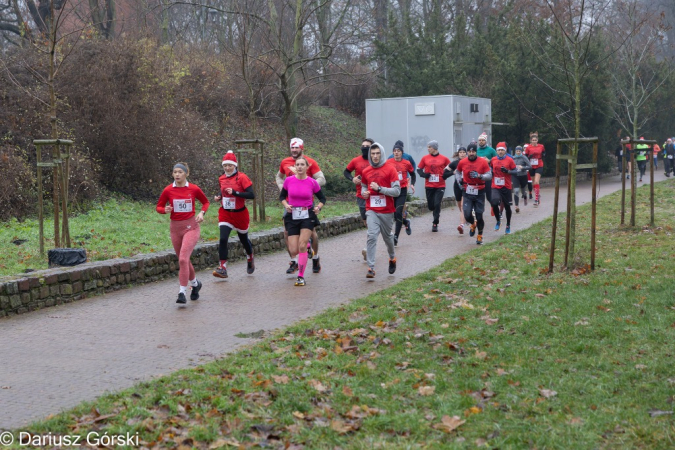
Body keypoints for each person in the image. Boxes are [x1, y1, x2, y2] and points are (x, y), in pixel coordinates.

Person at [156, 163, 210, 304]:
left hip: (191, 227)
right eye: (175, 172)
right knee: (184, 259)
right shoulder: (168, 190)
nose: (177, 174)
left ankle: (182, 292)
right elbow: (159, 207)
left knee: (182, 259)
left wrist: (202, 213)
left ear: (186, 173)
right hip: (175, 229)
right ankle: (195, 284)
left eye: (180, 172)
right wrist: (164, 210)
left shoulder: (193, 188)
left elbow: (205, 202)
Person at [276, 138, 325, 274]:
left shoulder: (310, 162)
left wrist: (308, 186)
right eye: (292, 148)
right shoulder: (285, 162)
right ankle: (294, 261)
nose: (294, 150)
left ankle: (315, 257)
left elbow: (322, 179)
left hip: (306, 203)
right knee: (287, 232)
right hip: (290, 204)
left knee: (312, 234)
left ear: (301, 149)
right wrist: (282, 186)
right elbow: (279, 177)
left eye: (297, 148)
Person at [212, 151, 255, 279]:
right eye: (225, 165)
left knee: (244, 240)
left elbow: (251, 195)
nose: (227, 168)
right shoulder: (221, 178)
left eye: (230, 165)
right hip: (225, 213)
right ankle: (223, 268)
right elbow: (222, 191)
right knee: (223, 239)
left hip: (240, 213)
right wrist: (218, 196)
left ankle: (250, 256)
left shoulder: (242, 177)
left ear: (235, 165)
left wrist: (236, 193)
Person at [361, 143, 400, 277]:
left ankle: (392, 257)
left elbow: (397, 191)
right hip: (371, 209)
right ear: (370, 155)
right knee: (371, 235)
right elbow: (363, 187)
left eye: (377, 153)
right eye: (373, 154)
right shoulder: (366, 171)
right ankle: (371, 268)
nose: (375, 156)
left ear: (382, 153)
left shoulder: (390, 169)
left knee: (388, 237)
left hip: (387, 210)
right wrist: (365, 193)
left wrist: (380, 189)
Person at [344, 138, 374, 260]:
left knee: (372, 222)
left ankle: (369, 248)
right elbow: (346, 172)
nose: (365, 148)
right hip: (361, 195)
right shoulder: (356, 160)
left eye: (367, 146)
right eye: (363, 146)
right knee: (367, 222)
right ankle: (372, 241)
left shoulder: (376, 160)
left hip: (376, 196)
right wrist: (352, 179)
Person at [457, 143, 492, 245]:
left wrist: (480, 176)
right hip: (467, 191)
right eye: (469, 152)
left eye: (473, 151)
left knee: (479, 215)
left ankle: (480, 235)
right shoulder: (462, 162)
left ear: (476, 152)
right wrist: (459, 180)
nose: (471, 153)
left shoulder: (482, 162)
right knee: (467, 214)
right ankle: (473, 224)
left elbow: (489, 175)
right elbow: (458, 172)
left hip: (479, 191)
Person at [417, 140, 452, 232]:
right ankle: (434, 212)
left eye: (429, 147)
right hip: (429, 185)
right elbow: (419, 169)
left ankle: (435, 222)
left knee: (437, 204)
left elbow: (451, 168)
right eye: (428, 147)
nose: (428, 149)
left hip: (440, 185)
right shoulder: (425, 158)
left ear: (434, 148)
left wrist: (446, 175)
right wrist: (424, 175)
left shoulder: (444, 158)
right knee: (431, 206)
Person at [387, 141, 416, 245]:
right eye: (394, 151)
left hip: (402, 190)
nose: (396, 152)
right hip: (391, 190)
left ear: (402, 152)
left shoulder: (406, 163)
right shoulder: (388, 162)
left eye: (398, 151)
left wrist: (412, 184)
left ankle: (395, 237)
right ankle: (406, 222)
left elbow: (413, 174)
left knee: (398, 212)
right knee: (394, 214)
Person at [490, 142, 517, 234]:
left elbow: (515, 171)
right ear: (496, 151)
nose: (500, 152)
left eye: (502, 150)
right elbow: (490, 169)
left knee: (507, 207)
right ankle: (498, 221)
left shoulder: (510, 160)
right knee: (494, 202)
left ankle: (508, 224)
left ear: (505, 151)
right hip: (495, 186)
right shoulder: (493, 159)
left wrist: (508, 171)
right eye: (498, 150)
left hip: (506, 186)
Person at [448, 147, 468, 234]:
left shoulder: (469, 162)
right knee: (460, 205)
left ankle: (461, 225)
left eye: (464, 152)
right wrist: (453, 172)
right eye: (461, 152)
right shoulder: (454, 163)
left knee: (463, 206)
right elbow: (444, 173)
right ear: (458, 153)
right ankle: (464, 217)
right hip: (457, 186)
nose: (462, 154)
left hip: (467, 186)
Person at [477, 133, 497, 209]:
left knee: (489, 195)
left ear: (486, 141)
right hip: (478, 174)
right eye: (480, 140)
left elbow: (497, 160)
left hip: (488, 173)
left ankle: (494, 207)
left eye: (483, 140)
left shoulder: (491, 150)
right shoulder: (476, 150)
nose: (481, 142)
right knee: (479, 194)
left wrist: (489, 160)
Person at [525, 131, 545, 207]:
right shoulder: (528, 147)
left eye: (535, 140)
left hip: (539, 164)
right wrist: (528, 157)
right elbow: (525, 157)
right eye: (533, 140)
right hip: (531, 166)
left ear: (537, 140)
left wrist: (543, 155)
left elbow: (544, 152)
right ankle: (537, 194)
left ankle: (536, 199)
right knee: (534, 182)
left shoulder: (541, 146)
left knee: (536, 181)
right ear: (531, 141)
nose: (534, 141)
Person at [511, 146, 531, 213]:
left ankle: (525, 196)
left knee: (523, 190)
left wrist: (523, 167)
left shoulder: (524, 157)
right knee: (516, 190)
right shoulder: (512, 158)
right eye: (517, 151)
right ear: (515, 151)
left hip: (523, 176)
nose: (518, 152)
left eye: (519, 151)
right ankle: (516, 206)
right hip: (515, 176)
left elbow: (530, 166)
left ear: (521, 151)